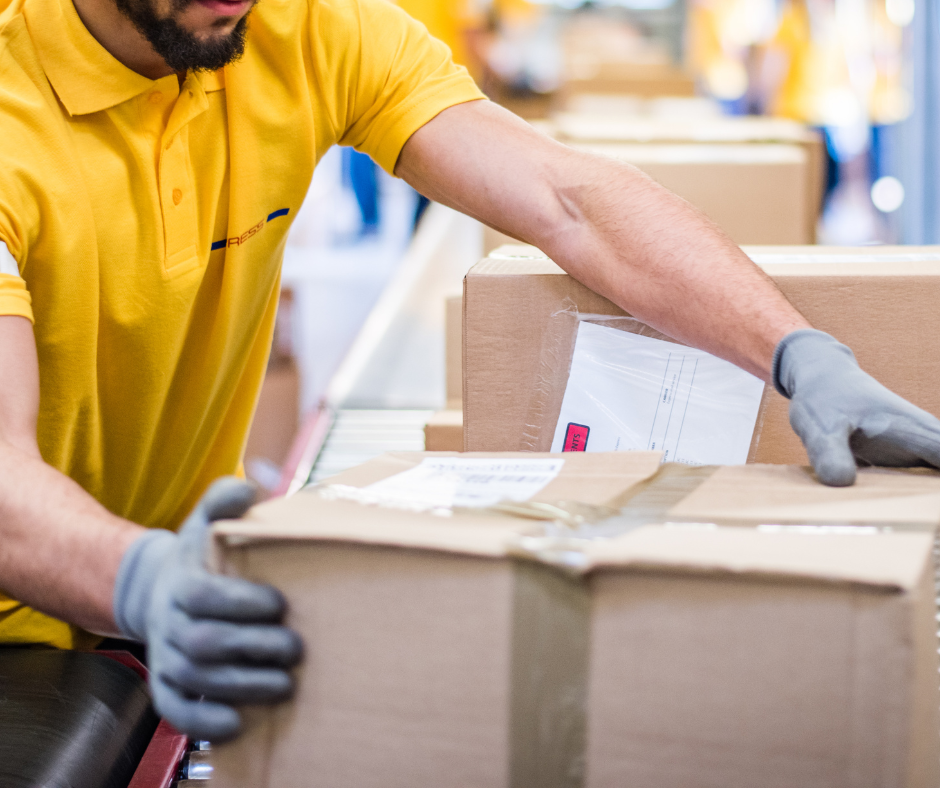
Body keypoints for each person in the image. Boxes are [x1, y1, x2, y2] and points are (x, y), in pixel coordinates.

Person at [1, 0, 939, 743]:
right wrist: (141, 581)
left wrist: (798, 352)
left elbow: (569, 202)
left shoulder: (298, 25)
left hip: (185, 596)